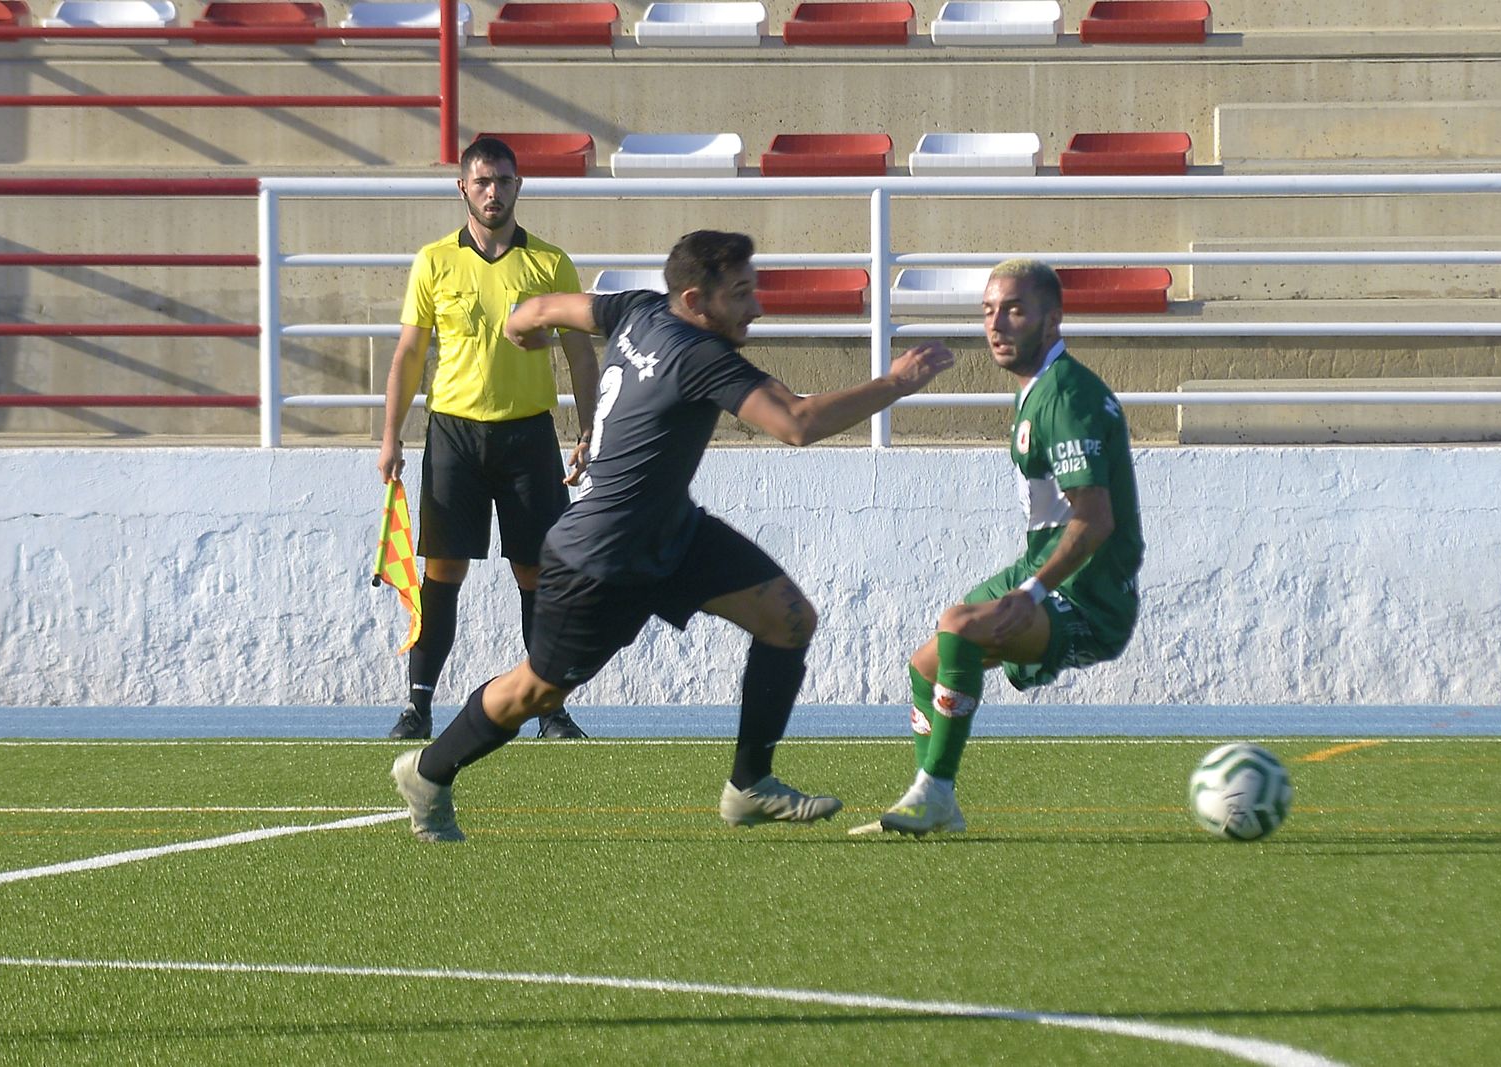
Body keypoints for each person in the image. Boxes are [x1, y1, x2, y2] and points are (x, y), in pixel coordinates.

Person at [391, 229, 955, 842]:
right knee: (538, 691)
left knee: (789, 618)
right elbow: (796, 423)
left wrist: (523, 323)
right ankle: (429, 770)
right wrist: (895, 383)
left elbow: (549, 306)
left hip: (671, 532)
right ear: (695, 298)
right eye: (741, 293)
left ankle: (749, 785)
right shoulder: (698, 355)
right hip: (599, 557)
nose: (756, 306)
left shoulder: (635, 307)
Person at [854, 259, 1145, 837]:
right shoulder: (1037, 391)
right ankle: (933, 800)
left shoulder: (1066, 396)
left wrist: (1034, 591)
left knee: (958, 626)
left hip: (1089, 595)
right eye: (988, 311)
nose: (997, 325)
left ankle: (936, 789)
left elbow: (1096, 521)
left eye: (1014, 309)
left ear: (1053, 318)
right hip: (1044, 569)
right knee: (927, 665)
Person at [378, 136, 599, 743]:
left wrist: (588, 430)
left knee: (539, 574)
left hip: (529, 435)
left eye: (503, 180)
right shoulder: (433, 261)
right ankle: (418, 706)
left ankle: (550, 710)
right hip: (453, 435)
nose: (492, 191)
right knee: (442, 572)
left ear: (518, 186)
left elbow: (581, 354)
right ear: (462, 189)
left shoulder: (550, 264)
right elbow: (409, 352)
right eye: (481, 181)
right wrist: (390, 437)